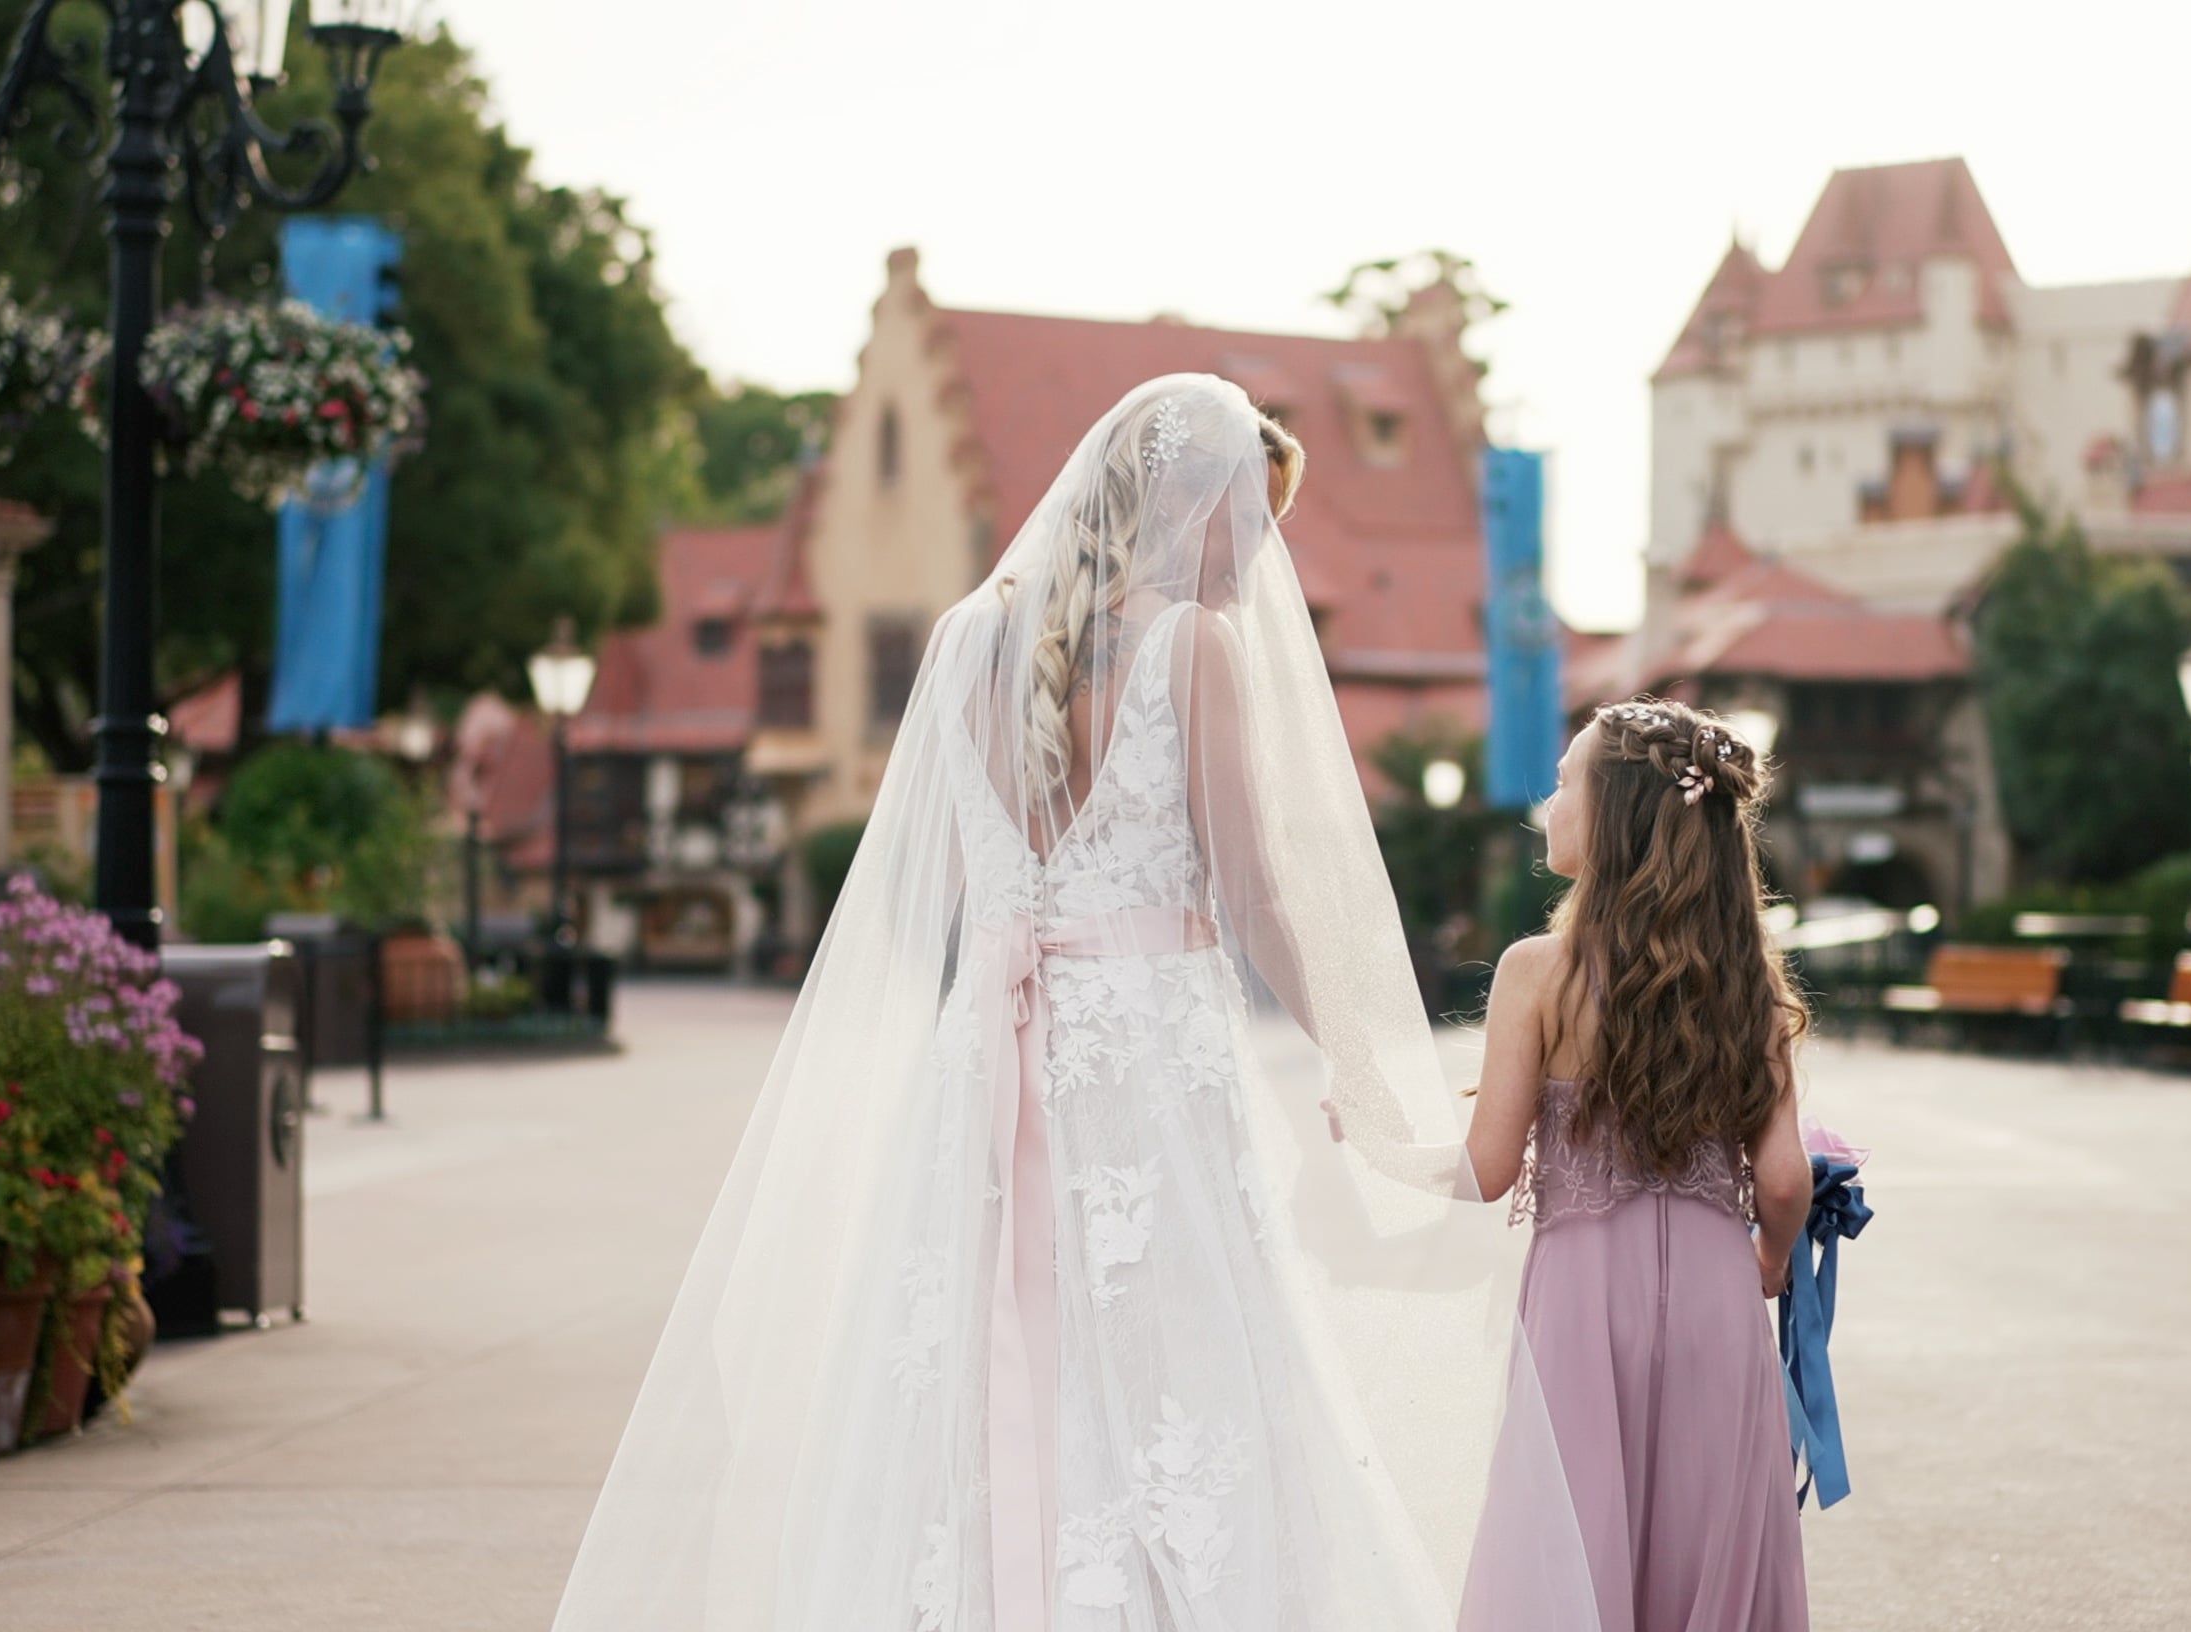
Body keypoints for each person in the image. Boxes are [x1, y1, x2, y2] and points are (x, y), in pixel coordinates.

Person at [550, 376, 1597, 1630]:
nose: (1254, 559)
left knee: (980, 1347)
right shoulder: (1189, 645)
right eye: (1243, 522)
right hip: (1143, 1059)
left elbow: (923, 887)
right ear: (1175, 503)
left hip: (983, 1062)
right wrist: (1364, 1059)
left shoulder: (962, 642)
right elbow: (1256, 893)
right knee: (1170, 1355)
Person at [1460, 699, 1813, 1631]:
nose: (1551, 798)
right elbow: (1783, 1180)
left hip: (1582, 1304)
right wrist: (1770, 1262)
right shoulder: (1747, 978)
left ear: (1614, 814)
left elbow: (1486, 1169)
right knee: (1706, 1555)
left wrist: (1374, 1143)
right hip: (1716, 1302)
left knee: (1573, 1557)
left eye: (1568, 778)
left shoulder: (1538, 973)